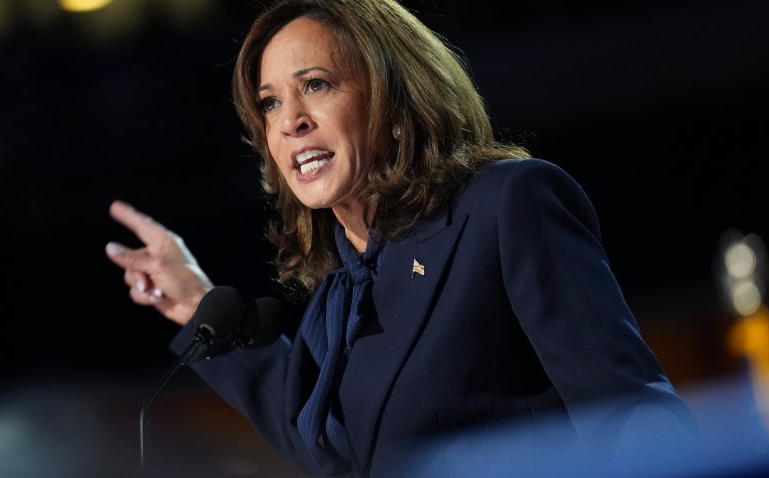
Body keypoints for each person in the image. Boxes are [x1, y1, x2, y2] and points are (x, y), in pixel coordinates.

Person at [105, 0, 697, 476]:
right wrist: (192, 300)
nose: (290, 121)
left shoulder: (504, 205)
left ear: (390, 101)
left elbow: (630, 415)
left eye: (315, 85)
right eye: (270, 102)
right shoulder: (340, 290)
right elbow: (328, 446)